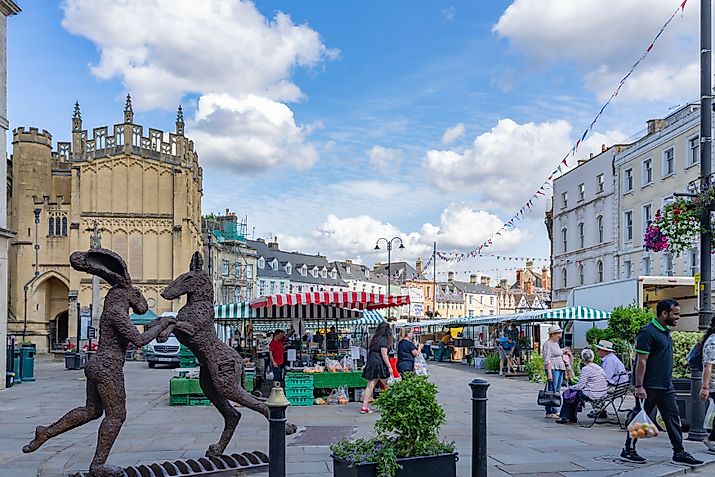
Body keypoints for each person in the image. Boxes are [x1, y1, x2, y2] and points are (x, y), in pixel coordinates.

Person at [621, 299, 703, 466]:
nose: (678, 317)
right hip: (649, 386)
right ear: (664, 313)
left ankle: (679, 452)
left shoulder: (665, 331)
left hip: (666, 386)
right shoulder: (647, 332)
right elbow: (641, 361)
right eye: (676, 314)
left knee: (673, 417)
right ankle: (628, 450)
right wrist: (638, 386)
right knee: (640, 419)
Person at [556, 349, 608, 424]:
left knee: (569, 394)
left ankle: (566, 417)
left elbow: (581, 385)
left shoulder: (585, 369)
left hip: (593, 393)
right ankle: (571, 417)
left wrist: (571, 388)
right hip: (602, 392)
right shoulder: (598, 367)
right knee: (574, 394)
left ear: (583, 358)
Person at [360, 322, 394, 414]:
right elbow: (384, 354)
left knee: (370, 385)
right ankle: (391, 404)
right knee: (388, 384)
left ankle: (364, 407)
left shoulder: (374, 339)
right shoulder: (384, 340)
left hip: (372, 362)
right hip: (379, 364)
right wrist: (389, 366)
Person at [541, 325, 565, 419]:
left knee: (557, 390)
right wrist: (549, 372)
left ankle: (555, 409)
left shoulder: (555, 343)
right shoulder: (548, 344)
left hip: (559, 367)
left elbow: (557, 353)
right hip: (553, 368)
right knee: (551, 389)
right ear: (552, 334)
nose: (559, 336)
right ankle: (549, 411)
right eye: (558, 333)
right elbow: (547, 359)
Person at [699, 316, 715, 452]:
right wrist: (705, 387)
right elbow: (707, 366)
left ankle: (711, 439)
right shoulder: (712, 343)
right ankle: (710, 439)